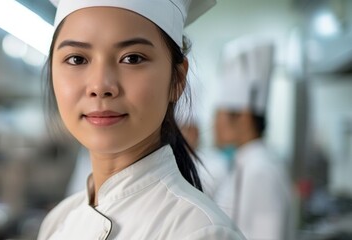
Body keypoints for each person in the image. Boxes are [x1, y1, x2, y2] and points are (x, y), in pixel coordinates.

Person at [36, 0, 245, 239]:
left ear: (177, 79)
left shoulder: (201, 232)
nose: (100, 86)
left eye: (132, 58)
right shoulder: (58, 223)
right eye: (77, 59)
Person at [213, 37, 296, 240]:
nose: (214, 125)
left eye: (219, 115)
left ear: (243, 117)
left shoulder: (261, 171)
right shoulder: (245, 164)